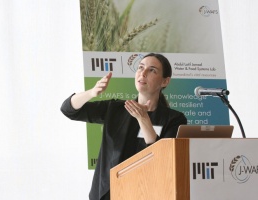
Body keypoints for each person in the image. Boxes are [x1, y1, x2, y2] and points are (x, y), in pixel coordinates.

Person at [60, 53, 187, 200]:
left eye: (152, 70)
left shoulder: (174, 119)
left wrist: (143, 119)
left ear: (165, 81)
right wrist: (92, 92)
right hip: (107, 195)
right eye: (140, 67)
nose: (143, 73)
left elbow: (163, 160)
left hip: (146, 193)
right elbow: (68, 110)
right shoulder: (116, 109)